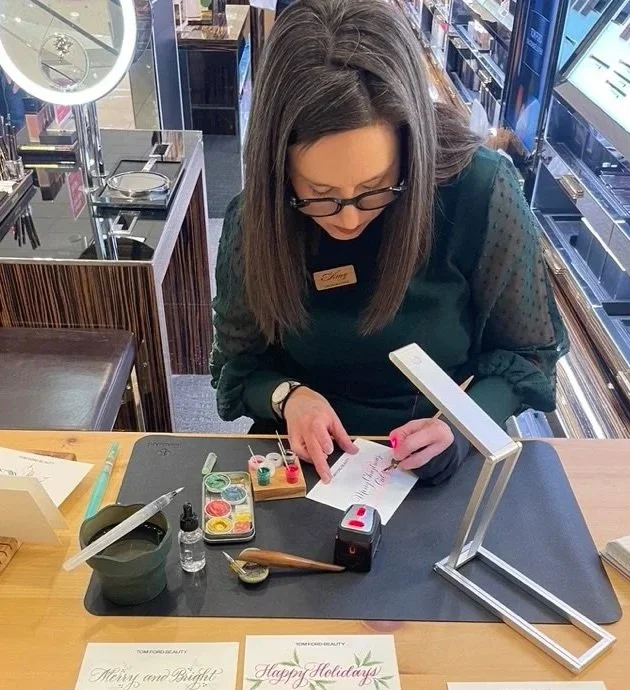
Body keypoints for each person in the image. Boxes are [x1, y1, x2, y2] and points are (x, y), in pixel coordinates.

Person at [210, 0, 568, 484]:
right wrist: (287, 397)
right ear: (278, 170)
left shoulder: (480, 194)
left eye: (376, 186)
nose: (349, 218)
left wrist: (464, 425)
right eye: (319, 194)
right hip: (304, 463)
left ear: (411, 147)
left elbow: (530, 356)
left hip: (451, 453)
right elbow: (238, 364)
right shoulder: (257, 218)